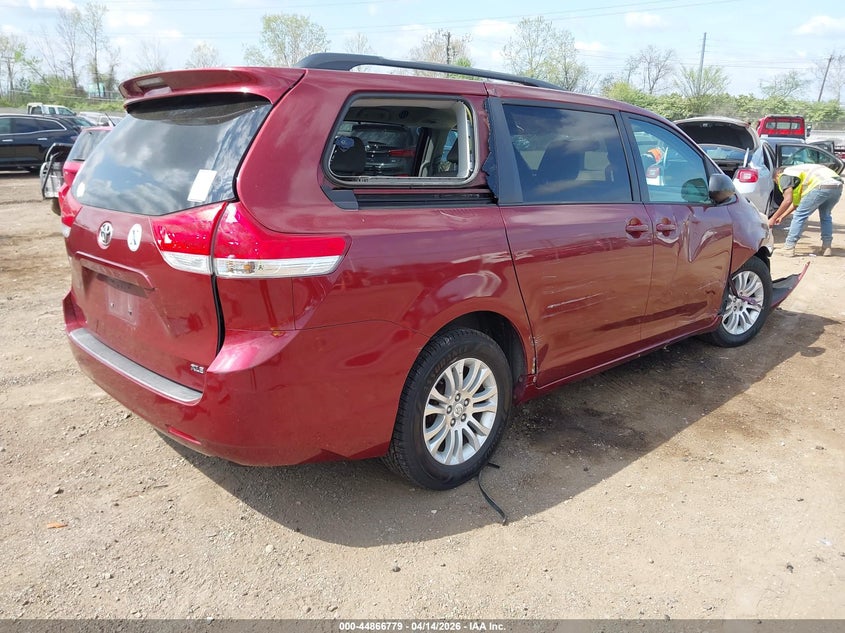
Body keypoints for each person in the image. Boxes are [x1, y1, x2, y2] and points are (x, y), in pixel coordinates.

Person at [768, 164, 843, 257]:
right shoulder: (797, 175)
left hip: (820, 185)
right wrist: (782, 216)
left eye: (776, 182)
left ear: (777, 175)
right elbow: (796, 204)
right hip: (837, 185)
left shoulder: (784, 175)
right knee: (826, 216)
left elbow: (787, 200)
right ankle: (826, 247)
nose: (780, 186)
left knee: (799, 216)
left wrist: (773, 218)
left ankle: (789, 247)